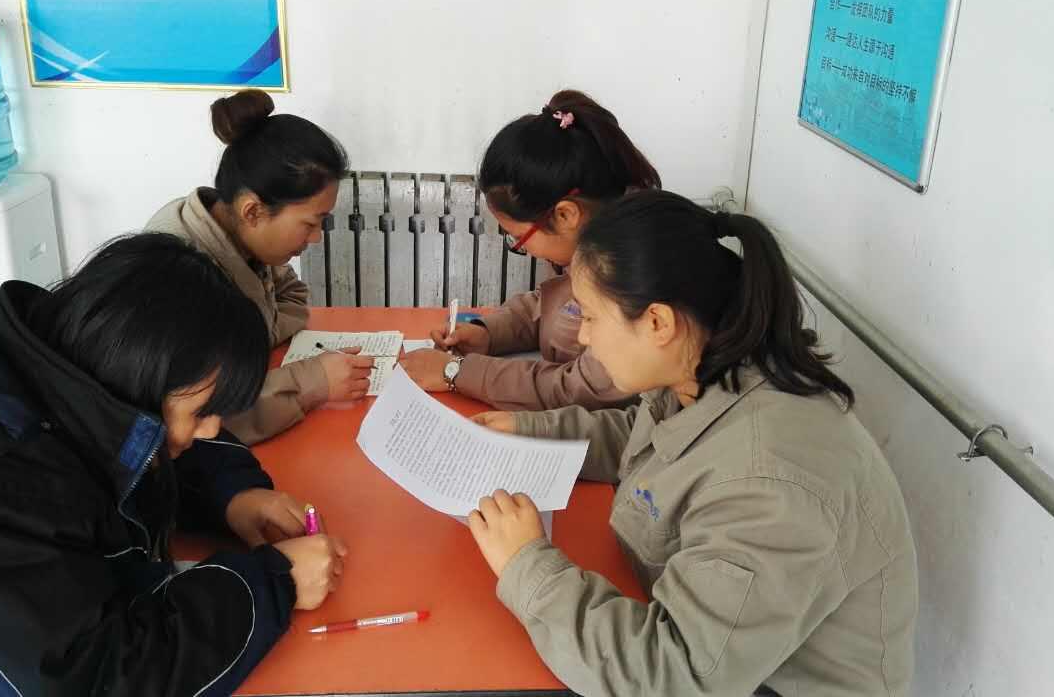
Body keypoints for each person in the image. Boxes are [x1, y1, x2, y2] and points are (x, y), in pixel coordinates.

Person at [467, 191, 918, 696]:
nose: (585, 338)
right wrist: (530, 432)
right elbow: (646, 438)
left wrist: (527, 565)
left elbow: (673, 676)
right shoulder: (708, 370)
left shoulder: (770, 486)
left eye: (591, 317)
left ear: (658, 322)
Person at [0, 234, 347, 696]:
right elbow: (94, 679)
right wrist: (273, 583)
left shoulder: (45, 352)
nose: (210, 430)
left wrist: (233, 493)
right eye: (203, 412)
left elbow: (129, 436)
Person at [399, 89, 658, 411]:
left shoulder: (638, 271)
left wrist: (457, 372)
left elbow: (582, 388)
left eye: (519, 238)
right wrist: (489, 334)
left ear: (565, 215)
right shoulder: (593, 243)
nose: (525, 249)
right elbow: (552, 306)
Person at [149, 88, 373, 444]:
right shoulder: (177, 273)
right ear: (252, 211)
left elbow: (292, 294)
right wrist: (311, 381)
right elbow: (191, 418)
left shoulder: (237, 232)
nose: (316, 238)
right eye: (310, 223)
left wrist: (253, 344)